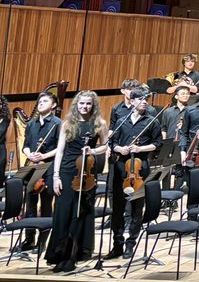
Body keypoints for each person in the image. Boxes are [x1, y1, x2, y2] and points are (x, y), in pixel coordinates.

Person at [46, 91, 109, 272]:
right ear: (76, 104)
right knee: (63, 213)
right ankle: (60, 255)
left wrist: (93, 151)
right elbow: (59, 151)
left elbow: (105, 145)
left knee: (79, 214)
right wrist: (56, 176)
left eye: (88, 104)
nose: (84, 107)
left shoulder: (100, 124)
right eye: (81, 103)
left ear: (93, 105)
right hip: (66, 171)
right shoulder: (68, 123)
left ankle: (73, 256)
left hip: (86, 172)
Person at [106, 88, 162, 259]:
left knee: (137, 208)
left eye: (147, 99)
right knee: (118, 207)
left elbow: (157, 144)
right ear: (132, 101)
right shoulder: (122, 121)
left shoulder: (152, 122)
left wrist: (140, 148)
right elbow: (112, 141)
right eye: (141, 99)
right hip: (121, 167)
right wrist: (118, 149)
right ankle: (117, 244)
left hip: (140, 168)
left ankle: (131, 243)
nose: (145, 102)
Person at [17, 91, 60, 252]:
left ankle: (43, 242)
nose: (41, 103)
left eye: (45, 101)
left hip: (48, 166)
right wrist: (29, 154)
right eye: (40, 101)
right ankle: (29, 239)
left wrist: (44, 155)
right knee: (30, 203)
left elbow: (60, 147)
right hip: (33, 166)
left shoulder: (57, 123)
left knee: (47, 203)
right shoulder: (31, 124)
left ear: (53, 105)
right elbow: (26, 144)